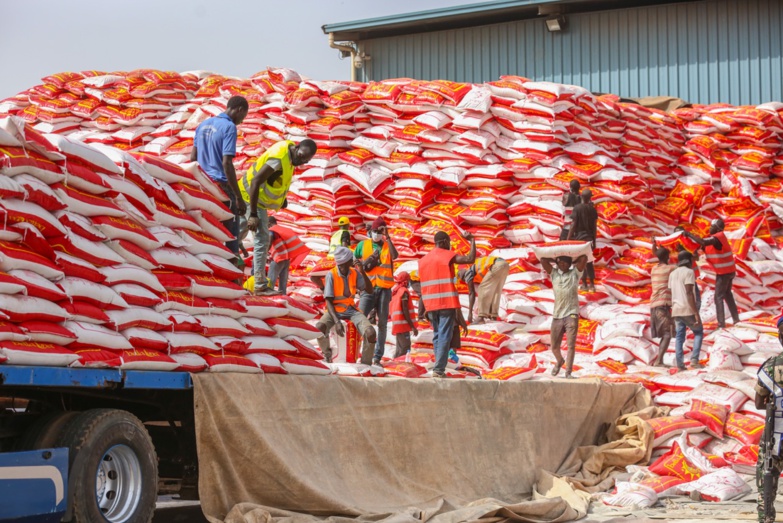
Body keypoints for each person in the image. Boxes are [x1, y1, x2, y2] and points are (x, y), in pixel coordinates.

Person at [239, 139, 317, 295]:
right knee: (262, 238)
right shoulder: (279, 158)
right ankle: (259, 284)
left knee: (236, 235)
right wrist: (253, 214)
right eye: (301, 156)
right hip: (250, 198)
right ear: (296, 147)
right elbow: (255, 181)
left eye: (305, 160)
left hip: (251, 198)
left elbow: (276, 181)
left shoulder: (290, 158)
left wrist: (282, 199)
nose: (300, 161)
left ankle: (222, 261)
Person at [191, 96, 249, 256]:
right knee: (231, 236)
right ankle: (231, 269)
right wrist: (238, 197)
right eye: (243, 117)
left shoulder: (203, 125)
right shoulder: (229, 127)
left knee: (208, 232)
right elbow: (227, 164)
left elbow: (193, 159)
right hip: (221, 187)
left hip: (203, 184)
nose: (242, 121)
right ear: (240, 110)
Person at [418, 230, 475, 378]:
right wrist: (472, 240)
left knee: (437, 335)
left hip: (430, 304)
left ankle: (438, 366)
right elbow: (470, 258)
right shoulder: (447, 256)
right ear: (443, 242)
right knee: (444, 336)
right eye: (449, 243)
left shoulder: (424, 260)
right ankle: (439, 369)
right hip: (445, 303)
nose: (450, 246)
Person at [315, 246, 376, 365]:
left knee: (371, 333)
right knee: (319, 328)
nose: (353, 261)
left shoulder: (354, 272)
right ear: (346, 262)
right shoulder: (331, 275)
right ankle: (327, 354)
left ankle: (365, 364)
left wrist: (362, 272)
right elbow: (329, 301)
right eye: (351, 260)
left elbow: (369, 290)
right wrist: (337, 322)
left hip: (351, 309)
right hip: (335, 310)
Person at [354, 217, 398, 366]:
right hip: (368, 289)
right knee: (360, 319)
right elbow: (354, 259)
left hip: (384, 289)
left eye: (379, 232)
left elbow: (395, 256)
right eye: (374, 231)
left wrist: (389, 237)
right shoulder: (363, 245)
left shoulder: (387, 245)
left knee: (382, 324)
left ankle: (377, 357)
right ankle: (359, 352)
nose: (376, 234)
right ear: (370, 231)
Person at [682, 219, 740, 329]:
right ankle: (736, 319)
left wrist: (689, 234)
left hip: (724, 273)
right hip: (729, 271)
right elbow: (702, 245)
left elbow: (703, 242)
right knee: (728, 294)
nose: (710, 228)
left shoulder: (717, 237)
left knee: (718, 297)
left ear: (717, 228)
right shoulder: (716, 239)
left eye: (712, 226)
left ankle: (721, 324)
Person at [539, 254, 588, 378]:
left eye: (566, 263)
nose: (563, 265)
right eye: (561, 263)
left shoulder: (575, 274)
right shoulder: (554, 274)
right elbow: (543, 259)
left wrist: (573, 260)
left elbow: (584, 259)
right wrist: (555, 259)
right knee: (554, 346)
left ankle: (568, 372)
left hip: (571, 314)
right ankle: (560, 361)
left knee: (571, 345)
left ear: (570, 264)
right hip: (557, 315)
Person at [754, 317, 783, 523]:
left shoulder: (770, 367)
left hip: (774, 434)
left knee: (767, 481)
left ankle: (766, 518)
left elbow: (757, 402)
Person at [668, 250, 703, 371]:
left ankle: (680, 365)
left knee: (679, 337)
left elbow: (671, 291)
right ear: (689, 261)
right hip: (687, 309)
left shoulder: (672, 274)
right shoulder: (689, 272)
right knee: (698, 332)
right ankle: (694, 360)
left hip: (676, 309)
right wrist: (696, 313)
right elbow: (689, 293)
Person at [458, 256, 510, 323]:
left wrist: (470, 313)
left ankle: (481, 317)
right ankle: (493, 316)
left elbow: (472, 293)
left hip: (497, 265)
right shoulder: (475, 269)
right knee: (496, 291)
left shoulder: (468, 273)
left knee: (482, 288)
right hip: (505, 264)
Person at [267, 216, 309, 295]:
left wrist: (265, 254)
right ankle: (283, 299)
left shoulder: (272, 231)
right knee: (283, 284)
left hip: (278, 259)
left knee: (270, 282)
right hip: (286, 259)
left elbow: (270, 240)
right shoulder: (282, 230)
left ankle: (268, 300)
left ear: (268, 223)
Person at [650, 241, 675, 366]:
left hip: (654, 305)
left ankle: (659, 360)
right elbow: (683, 267)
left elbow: (658, 255)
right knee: (667, 333)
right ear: (667, 257)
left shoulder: (654, 269)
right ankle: (659, 360)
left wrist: (654, 245)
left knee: (665, 333)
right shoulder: (670, 269)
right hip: (662, 306)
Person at [567, 188, 598, 291]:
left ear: (581, 197)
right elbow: (594, 227)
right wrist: (594, 240)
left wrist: (568, 239)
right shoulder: (592, 210)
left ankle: (584, 284)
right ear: (590, 198)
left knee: (581, 262)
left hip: (579, 239)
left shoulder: (577, 208)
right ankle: (592, 285)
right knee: (589, 262)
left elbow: (573, 224)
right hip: (589, 239)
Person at [390, 271, 418, 359]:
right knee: (405, 348)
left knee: (399, 348)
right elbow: (405, 309)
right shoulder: (404, 291)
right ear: (405, 281)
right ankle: (400, 366)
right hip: (403, 325)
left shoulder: (396, 291)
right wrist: (412, 326)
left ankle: (395, 365)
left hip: (397, 324)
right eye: (409, 280)